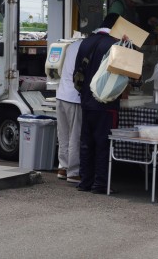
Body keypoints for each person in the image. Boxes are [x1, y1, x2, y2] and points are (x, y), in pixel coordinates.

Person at [73, 13, 122, 194]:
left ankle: (85, 181)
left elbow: (77, 73)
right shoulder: (115, 45)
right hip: (106, 103)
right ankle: (100, 184)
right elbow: (124, 74)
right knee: (103, 143)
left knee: (86, 142)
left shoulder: (85, 43)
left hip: (86, 100)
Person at [55, 38, 83, 183]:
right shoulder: (86, 46)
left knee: (63, 134)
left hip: (61, 94)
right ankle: (73, 172)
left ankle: (63, 168)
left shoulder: (73, 45)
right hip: (74, 97)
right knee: (74, 136)